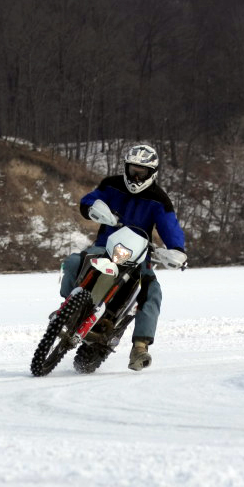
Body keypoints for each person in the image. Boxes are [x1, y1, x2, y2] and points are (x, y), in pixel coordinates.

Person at [60, 143, 187, 371]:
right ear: (126, 167)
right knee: (72, 262)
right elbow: (90, 199)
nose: (136, 176)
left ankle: (140, 347)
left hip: (139, 256)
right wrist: (91, 208)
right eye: (132, 169)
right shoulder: (112, 185)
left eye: (142, 171)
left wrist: (178, 250)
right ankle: (67, 309)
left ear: (152, 173)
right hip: (105, 247)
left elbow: (170, 228)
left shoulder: (160, 200)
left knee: (152, 291)